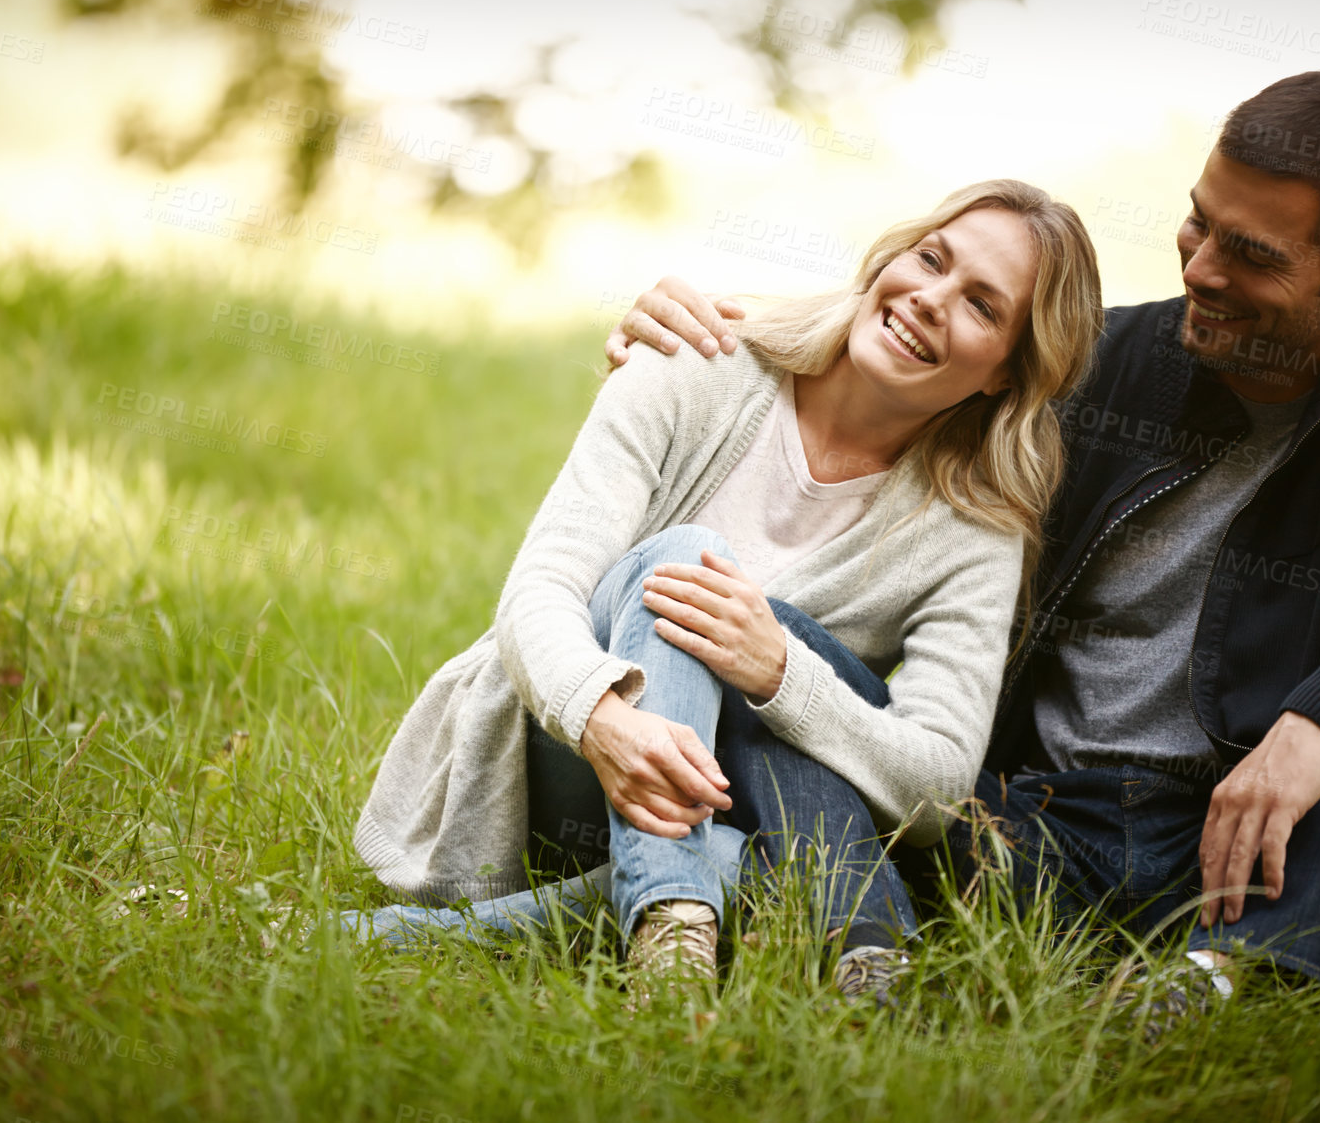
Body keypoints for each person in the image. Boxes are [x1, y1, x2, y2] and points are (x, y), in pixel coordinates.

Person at [610, 71, 1320, 1036]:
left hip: (1234, 853)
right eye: (1198, 224)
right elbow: (914, 347)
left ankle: (1226, 978)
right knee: (759, 634)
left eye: (1252, 254)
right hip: (1012, 823)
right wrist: (708, 345)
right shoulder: (1110, 362)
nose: (1204, 269)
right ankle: (863, 946)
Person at [350, 178, 1103, 1006]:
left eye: (981, 307)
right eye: (930, 259)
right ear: (892, 255)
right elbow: (539, 590)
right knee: (689, 560)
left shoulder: (972, 528)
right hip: (551, 759)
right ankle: (672, 907)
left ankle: (622, 926)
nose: (929, 299)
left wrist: (782, 672)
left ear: (1007, 374)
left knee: (769, 869)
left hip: (716, 808)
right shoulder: (700, 356)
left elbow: (934, 786)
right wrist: (603, 721)